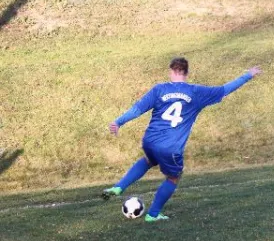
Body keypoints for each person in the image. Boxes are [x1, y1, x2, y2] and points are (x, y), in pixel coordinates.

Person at [102, 57, 262, 222]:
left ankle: (118, 187)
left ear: (171, 71)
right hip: (170, 147)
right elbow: (225, 89)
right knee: (173, 177)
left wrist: (118, 122)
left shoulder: (159, 89)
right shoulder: (196, 92)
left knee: (149, 159)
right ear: (186, 72)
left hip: (150, 140)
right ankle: (153, 214)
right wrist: (248, 75)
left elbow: (138, 109)